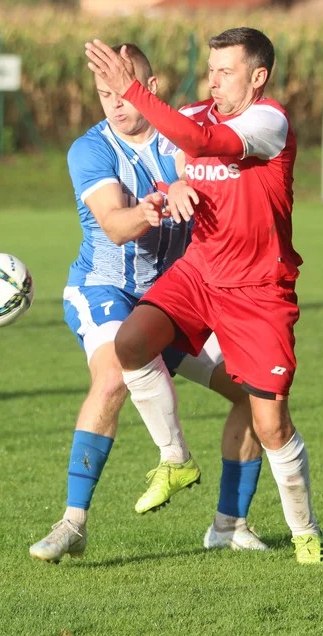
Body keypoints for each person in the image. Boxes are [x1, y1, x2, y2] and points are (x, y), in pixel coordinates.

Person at [84, 28, 323, 564]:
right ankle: (175, 457)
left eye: (226, 71)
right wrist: (171, 187)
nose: (213, 82)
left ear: (257, 77)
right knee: (131, 343)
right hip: (199, 274)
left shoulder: (270, 122)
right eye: (210, 70)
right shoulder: (195, 113)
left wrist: (137, 92)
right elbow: (174, 153)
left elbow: (206, 146)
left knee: (271, 424)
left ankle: (304, 531)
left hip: (259, 291)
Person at [29, 43, 268, 564]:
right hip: (105, 288)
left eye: (123, 89)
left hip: (179, 298)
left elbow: (194, 161)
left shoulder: (177, 130)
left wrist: (186, 180)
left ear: (150, 88)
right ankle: (74, 522)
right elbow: (115, 225)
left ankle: (230, 523)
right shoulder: (89, 150)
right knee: (113, 371)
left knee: (257, 394)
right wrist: (153, 207)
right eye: (103, 93)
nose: (114, 102)